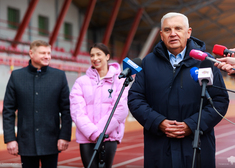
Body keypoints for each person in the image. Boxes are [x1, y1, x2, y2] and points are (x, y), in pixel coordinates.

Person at [128, 12, 229, 168]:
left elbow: (220, 101)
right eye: (167, 30)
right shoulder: (148, 62)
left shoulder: (206, 61)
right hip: (160, 147)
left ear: (188, 32)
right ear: (161, 35)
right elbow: (135, 98)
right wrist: (158, 122)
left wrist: (192, 125)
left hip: (197, 146)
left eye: (178, 28)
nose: (173, 34)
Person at [3, 40, 72, 168]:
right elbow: (8, 110)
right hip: (26, 141)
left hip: (51, 141)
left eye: (49, 53)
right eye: (42, 53)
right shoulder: (17, 76)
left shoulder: (59, 76)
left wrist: (64, 136)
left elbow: (66, 109)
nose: (47, 56)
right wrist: (10, 139)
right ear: (31, 53)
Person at [70, 43, 129, 168]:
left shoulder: (120, 81)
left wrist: (101, 132)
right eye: (92, 55)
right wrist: (93, 133)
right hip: (87, 137)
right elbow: (77, 111)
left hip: (109, 137)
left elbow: (121, 109)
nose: (95, 58)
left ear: (107, 56)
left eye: (98, 54)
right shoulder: (81, 82)